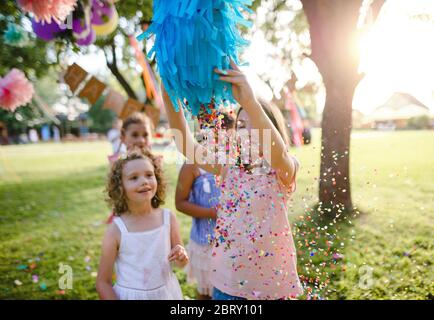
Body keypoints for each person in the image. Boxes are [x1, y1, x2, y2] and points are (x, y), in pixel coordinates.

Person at [162, 59, 302, 300]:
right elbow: (185, 144)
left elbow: (277, 153)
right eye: (241, 125)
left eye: (254, 125)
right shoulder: (228, 168)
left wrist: (249, 101)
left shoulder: (282, 171)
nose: (245, 132)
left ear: (273, 130)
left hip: (272, 287)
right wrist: (168, 91)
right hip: (227, 286)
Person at [96, 148, 188, 300]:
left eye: (149, 175)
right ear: (120, 187)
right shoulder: (116, 230)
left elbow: (181, 264)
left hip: (166, 293)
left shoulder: (168, 218)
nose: (144, 181)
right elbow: (103, 282)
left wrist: (181, 255)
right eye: (134, 178)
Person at [175, 112, 235, 299]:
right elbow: (180, 203)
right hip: (205, 242)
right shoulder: (192, 165)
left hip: (234, 241)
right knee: (207, 291)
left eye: (226, 136)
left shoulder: (235, 162)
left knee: (231, 290)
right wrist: (212, 212)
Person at [106, 112, 154, 223]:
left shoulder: (154, 162)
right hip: (127, 215)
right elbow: (115, 195)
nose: (141, 140)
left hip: (150, 214)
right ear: (123, 136)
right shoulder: (118, 164)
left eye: (145, 135)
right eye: (135, 135)